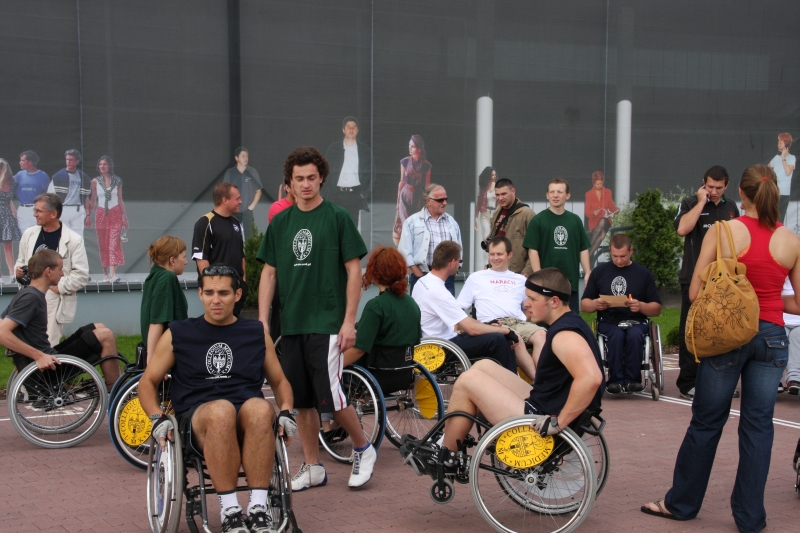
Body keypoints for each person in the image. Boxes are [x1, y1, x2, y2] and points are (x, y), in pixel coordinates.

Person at [641, 164, 800, 533]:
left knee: (707, 421)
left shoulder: (724, 230)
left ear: (740, 193)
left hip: (729, 335)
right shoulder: (791, 240)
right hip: (772, 337)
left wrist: (737, 296)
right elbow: (796, 303)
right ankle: (750, 518)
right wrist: (765, 299)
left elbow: (696, 291)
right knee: (758, 427)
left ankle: (681, 504)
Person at [139, 265, 296, 533]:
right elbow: (148, 382)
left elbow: (280, 381)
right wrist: (157, 418)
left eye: (223, 293)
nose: (216, 300)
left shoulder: (256, 333)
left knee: (261, 408)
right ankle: (230, 512)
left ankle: (258, 510)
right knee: (222, 410)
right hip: (198, 419)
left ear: (237, 295)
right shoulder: (179, 333)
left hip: (247, 418)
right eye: (209, 292)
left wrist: (287, 411)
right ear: (200, 294)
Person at [256, 146, 374, 491]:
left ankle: (363, 448)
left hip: (327, 322)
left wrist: (349, 321)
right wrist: (262, 321)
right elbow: (269, 273)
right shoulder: (281, 222)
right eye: (299, 179)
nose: (305, 184)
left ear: (322, 178)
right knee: (300, 399)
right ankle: (312, 466)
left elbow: (354, 272)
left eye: (311, 177)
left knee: (330, 397)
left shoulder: (338, 217)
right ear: (289, 183)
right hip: (292, 322)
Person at [429, 267, 604, 455]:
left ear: (554, 301)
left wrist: (558, 422)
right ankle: (448, 438)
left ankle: (445, 454)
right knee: (483, 366)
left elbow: (591, 378)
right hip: (545, 403)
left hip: (541, 418)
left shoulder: (565, 336)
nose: (526, 304)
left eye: (533, 299)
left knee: (467, 381)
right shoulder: (571, 322)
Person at [0, 249, 120, 389]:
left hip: (46, 358)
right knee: (105, 335)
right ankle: (116, 391)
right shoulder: (31, 298)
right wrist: (38, 356)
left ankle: (116, 386)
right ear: (48, 271)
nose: (62, 274)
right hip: (47, 369)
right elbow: (2, 332)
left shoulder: (27, 293)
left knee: (98, 326)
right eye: (60, 269)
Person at [673, 165, 740, 400]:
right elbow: (682, 229)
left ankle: (721, 381)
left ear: (726, 186)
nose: (714, 191)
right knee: (691, 330)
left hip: (723, 279)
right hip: (694, 278)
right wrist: (701, 202)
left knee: (722, 330)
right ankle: (688, 382)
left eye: (719, 188)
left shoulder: (731, 207)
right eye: (710, 186)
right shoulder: (690, 203)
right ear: (703, 183)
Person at [412, 240, 518, 374]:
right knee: (498, 340)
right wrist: (505, 331)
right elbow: (471, 329)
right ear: (452, 262)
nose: (459, 265)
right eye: (459, 261)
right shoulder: (438, 291)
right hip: (441, 347)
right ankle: (511, 382)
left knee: (493, 333)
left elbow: (464, 322)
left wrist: (488, 327)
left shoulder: (423, 281)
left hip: (436, 340)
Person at [581, 233, 661, 394]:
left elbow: (657, 308)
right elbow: (584, 305)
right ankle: (615, 381)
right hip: (609, 320)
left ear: (631, 251)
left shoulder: (643, 274)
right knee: (616, 335)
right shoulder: (599, 272)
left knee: (635, 335)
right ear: (610, 251)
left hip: (636, 321)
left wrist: (641, 306)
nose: (618, 260)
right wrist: (596, 304)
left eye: (623, 256)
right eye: (615, 256)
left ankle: (632, 380)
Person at [456, 236, 546, 379]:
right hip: (493, 324)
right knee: (516, 338)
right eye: (492, 254)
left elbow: (529, 306)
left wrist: (524, 318)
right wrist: (455, 329)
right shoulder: (476, 277)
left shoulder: (521, 280)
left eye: (499, 254)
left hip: (518, 322)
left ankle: (543, 378)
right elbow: (459, 307)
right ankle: (540, 383)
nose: (495, 258)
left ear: (509, 254)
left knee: (541, 334)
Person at [15, 193, 89, 347]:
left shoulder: (74, 240)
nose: (35, 214)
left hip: (53, 299)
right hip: (28, 296)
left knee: (47, 343)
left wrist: (56, 287)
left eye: (38, 211)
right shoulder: (29, 234)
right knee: (23, 342)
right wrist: (19, 272)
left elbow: (81, 276)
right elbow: (21, 261)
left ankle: (46, 364)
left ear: (53, 214)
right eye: (35, 210)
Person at [342, 246, 421, 367]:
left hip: (376, 370)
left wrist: (332, 367)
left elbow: (358, 350)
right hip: (403, 370)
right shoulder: (412, 304)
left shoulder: (376, 306)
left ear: (374, 272)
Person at [524, 178, 590, 312]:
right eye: (552, 192)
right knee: (545, 323)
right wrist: (539, 278)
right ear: (547, 195)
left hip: (570, 284)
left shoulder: (575, 220)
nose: (555, 195)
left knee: (570, 322)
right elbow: (532, 251)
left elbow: (583, 249)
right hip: (546, 285)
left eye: (559, 192)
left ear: (568, 195)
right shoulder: (538, 220)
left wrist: (588, 272)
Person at [192, 183, 247, 318]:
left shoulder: (236, 223)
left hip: (236, 288)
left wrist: (243, 282)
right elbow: (201, 258)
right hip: (219, 290)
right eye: (237, 198)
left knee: (234, 323)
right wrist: (212, 287)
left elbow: (241, 254)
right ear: (225, 200)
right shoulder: (205, 222)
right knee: (218, 324)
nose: (240, 201)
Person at [397, 183, 462, 296]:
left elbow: (459, 250)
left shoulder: (452, 223)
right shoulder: (412, 222)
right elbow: (404, 252)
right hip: (422, 276)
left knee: (446, 308)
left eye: (446, 199)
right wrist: (419, 275)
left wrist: (452, 272)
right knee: (420, 308)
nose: (444, 203)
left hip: (447, 278)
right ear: (428, 201)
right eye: (440, 200)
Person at [141, 236, 189, 363]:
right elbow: (157, 321)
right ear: (172, 260)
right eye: (184, 257)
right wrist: (152, 361)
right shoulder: (167, 278)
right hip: (166, 354)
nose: (186, 262)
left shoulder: (155, 275)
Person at [325, 116, 372, 227]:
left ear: (357, 130)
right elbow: (325, 171)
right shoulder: (334, 148)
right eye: (348, 127)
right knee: (334, 225)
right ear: (343, 130)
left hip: (355, 195)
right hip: (336, 194)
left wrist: (363, 193)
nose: (351, 129)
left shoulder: (364, 150)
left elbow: (371, 173)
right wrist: (328, 192)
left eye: (354, 127)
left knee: (352, 227)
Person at [89, 155, 128, 282]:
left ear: (109, 165)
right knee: (103, 244)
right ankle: (105, 273)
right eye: (100, 164)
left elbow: (120, 199)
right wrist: (88, 215)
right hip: (101, 213)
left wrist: (124, 217)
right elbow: (93, 200)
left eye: (104, 164)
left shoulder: (117, 180)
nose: (102, 166)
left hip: (115, 212)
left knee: (114, 243)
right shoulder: (95, 181)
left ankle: (113, 275)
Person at [488, 177, 535, 275]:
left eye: (503, 194)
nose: (500, 198)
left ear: (513, 191)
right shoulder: (497, 211)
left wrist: (528, 270)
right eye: (497, 195)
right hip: (496, 270)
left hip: (517, 272)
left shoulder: (527, 214)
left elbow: (535, 246)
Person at [392, 135, 431, 245]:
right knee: (405, 224)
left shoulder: (426, 165)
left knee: (417, 225)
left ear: (419, 148)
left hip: (418, 197)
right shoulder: (405, 162)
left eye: (412, 146)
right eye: (409, 146)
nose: (409, 148)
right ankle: (405, 249)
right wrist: (398, 201)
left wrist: (428, 204)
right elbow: (401, 182)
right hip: (405, 195)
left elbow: (427, 187)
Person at [48, 149, 92, 236]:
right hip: (63, 209)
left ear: (77, 161)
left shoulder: (83, 177)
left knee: (78, 237)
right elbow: (51, 197)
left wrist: (88, 215)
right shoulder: (57, 177)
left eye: (71, 160)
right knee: (63, 236)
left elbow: (86, 197)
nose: (68, 162)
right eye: (67, 159)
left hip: (78, 209)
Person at [222, 147, 263, 239]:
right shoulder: (230, 172)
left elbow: (258, 191)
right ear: (236, 158)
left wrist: (252, 206)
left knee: (250, 238)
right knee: (232, 237)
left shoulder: (252, 172)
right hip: (233, 210)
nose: (245, 158)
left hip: (247, 211)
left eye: (247, 156)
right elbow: (224, 191)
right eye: (243, 156)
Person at [584, 171, 619, 261]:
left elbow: (611, 207)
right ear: (593, 183)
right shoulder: (588, 194)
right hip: (594, 223)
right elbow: (587, 212)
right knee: (602, 234)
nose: (599, 185)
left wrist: (616, 210)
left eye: (601, 183)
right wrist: (594, 213)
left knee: (603, 221)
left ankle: (588, 248)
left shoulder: (608, 192)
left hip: (605, 221)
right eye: (597, 184)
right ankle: (589, 255)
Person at [14, 150, 50, 233]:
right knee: (24, 234)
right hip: (23, 209)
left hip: (37, 209)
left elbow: (48, 195)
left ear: (30, 162)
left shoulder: (43, 176)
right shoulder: (19, 175)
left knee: (38, 234)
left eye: (23, 160)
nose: (20, 163)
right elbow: (7, 183)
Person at [0, 158, 21, 281]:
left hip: (7, 216)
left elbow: (9, 201)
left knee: (8, 246)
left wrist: (15, 214)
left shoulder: (12, 182)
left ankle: (12, 273)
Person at [767, 133, 795, 221]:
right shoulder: (776, 158)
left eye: (780, 143)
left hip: (784, 194)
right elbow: (766, 168)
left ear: (786, 145)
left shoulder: (792, 158)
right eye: (778, 143)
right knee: (772, 216)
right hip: (774, 192)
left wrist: (783, 158)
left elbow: (788, 172)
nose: (778, 145)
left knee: (780, 218)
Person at [781, 278, 800, 396]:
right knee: (778, 339)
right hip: (779, 319)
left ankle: (794, 379)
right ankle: (775, 380)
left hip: (798, 321)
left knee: (796, 336)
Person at [474, 166, 496, 263]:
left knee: (495, 237)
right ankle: (486, 263)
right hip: (485, 213)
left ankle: (493, 261)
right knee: (486, 238)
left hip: (494, 213)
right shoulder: (482, 188)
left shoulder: (497, 186)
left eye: (495, 175)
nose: (494, 177)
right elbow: (479, 203)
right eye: (492, 175)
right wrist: (476, 218)